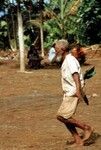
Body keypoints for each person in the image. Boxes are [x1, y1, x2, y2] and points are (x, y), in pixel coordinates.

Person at [55, 39, 93, 146]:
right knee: (66, 117)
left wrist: (77, 90)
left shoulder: (70, 60)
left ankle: (86, 128)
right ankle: (78, 140)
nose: (55, 51)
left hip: (73, 91)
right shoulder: (67, 59)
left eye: (56, 49)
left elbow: (75, 75)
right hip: (69, 91)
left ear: (62, 49)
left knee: (62, 116)